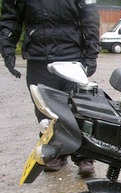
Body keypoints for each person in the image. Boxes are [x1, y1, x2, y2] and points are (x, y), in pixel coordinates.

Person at [0, 0, 100, 177]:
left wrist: (91, 54)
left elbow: (90, 16)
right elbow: (11, 18)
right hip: (39, 57)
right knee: (46, 111)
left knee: (79, 108)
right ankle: (55, 153)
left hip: (72, 55)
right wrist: (7, 49)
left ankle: (85, 156)